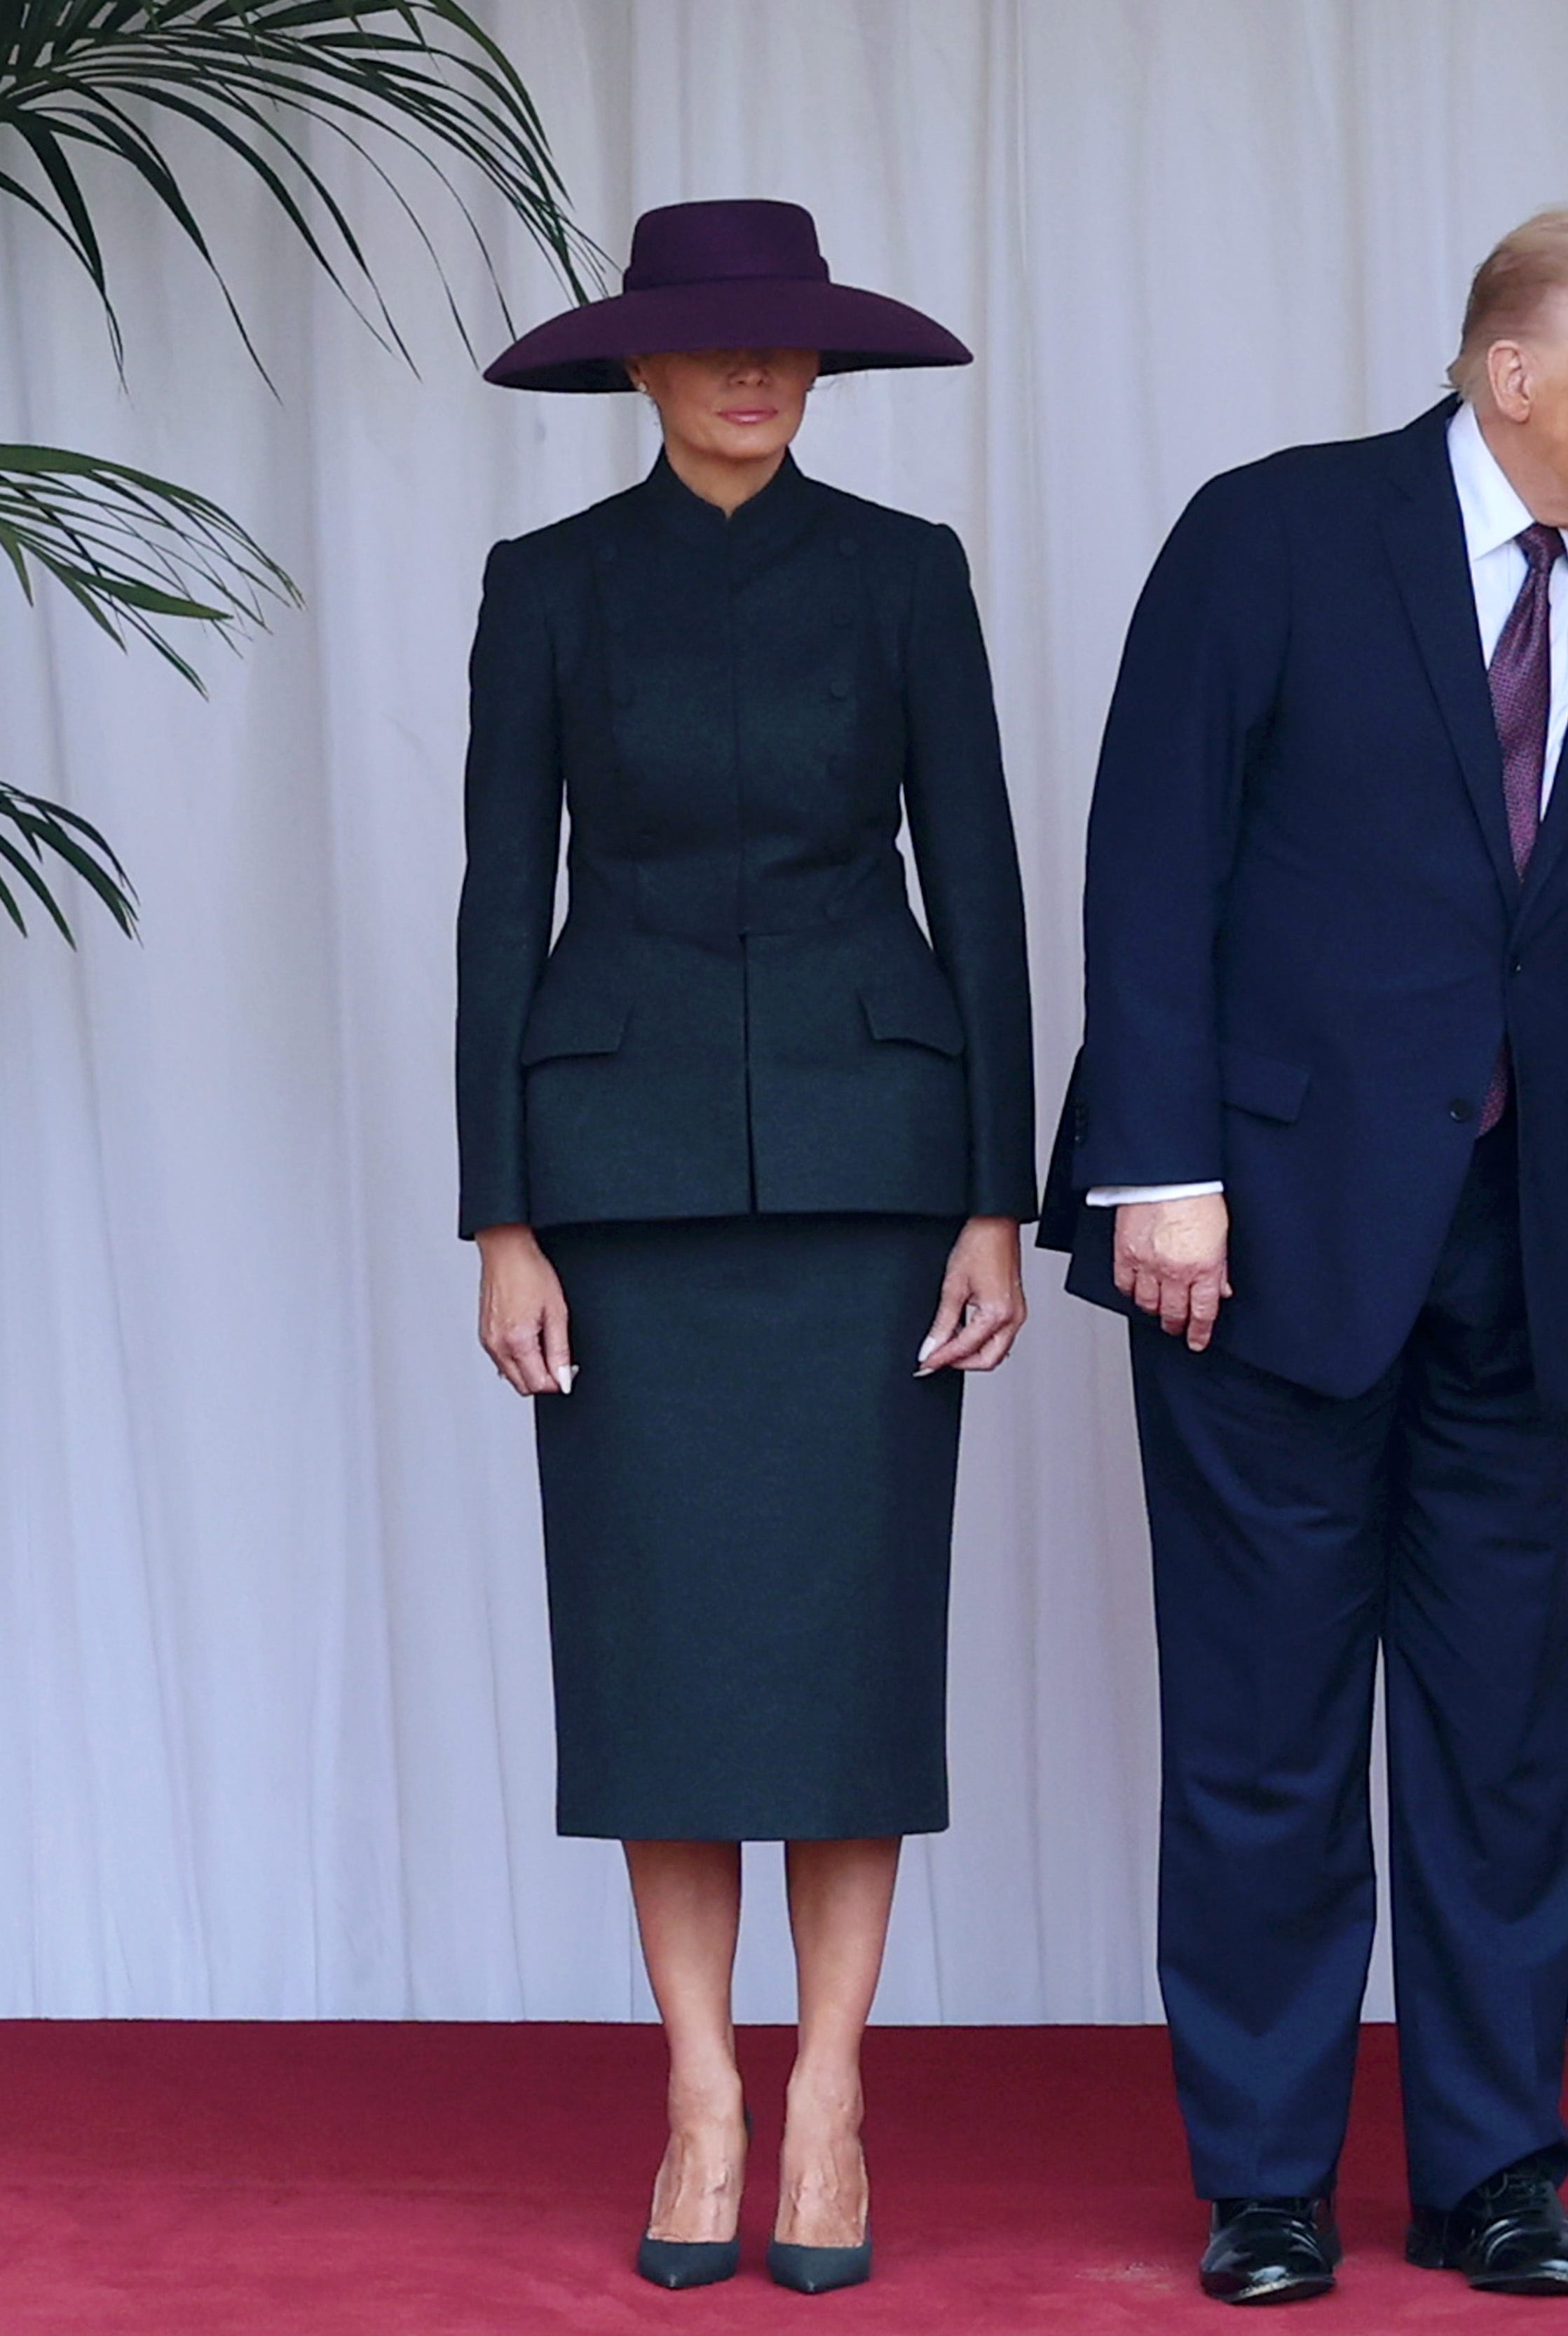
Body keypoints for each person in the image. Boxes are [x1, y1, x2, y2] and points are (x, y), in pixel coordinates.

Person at [1037, 208, 1568, 2307]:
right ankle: (1266, 2178)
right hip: (1252, 1241)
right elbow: (1148, 854)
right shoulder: (1274, 536)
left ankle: (1494, 2168)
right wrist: (1157, 1164)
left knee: (1501, 1736)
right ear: (1510, 372)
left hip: (1525, 1259)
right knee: (1261, 1726)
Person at [457, 201, 1032, 2294]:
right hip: (619, 1191)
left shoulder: (905, 575)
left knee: (847, 1655)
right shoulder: (547, 589)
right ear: (639, 367)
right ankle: (702, 2083)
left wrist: (998, 1189)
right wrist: (499, 1210)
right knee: (667, 1661)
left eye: (789, 351)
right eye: (716, 350)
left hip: (878, 1184)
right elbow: (490, 903)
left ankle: (832, 2091)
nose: (757, 379)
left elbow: (980, 880)